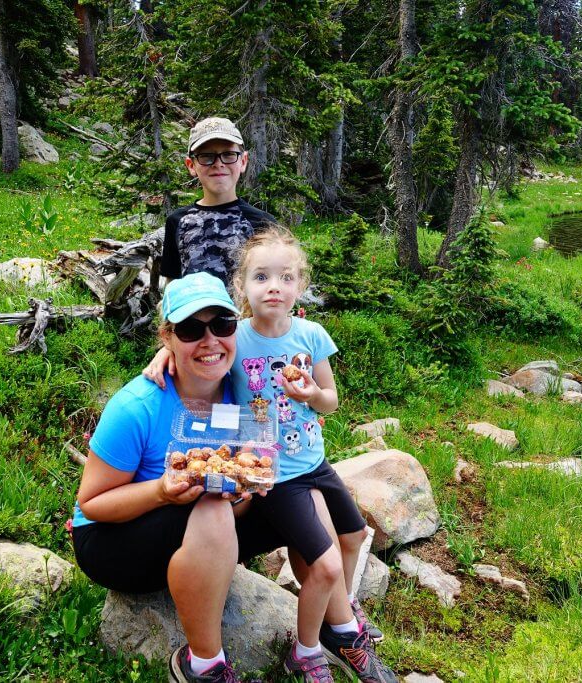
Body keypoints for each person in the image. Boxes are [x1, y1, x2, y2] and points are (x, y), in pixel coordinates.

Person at [146, 229, 397, 683]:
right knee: (322, 565)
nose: (274, 286)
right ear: (242, 289)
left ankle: (344, 609)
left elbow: (331, 400)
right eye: (261, 277)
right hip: (276, 477)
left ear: (300, 286)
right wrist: (163, 357)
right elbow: (201, 349)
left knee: (357, 535)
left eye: (285, 276)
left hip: (315, 463)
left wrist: (312, 392)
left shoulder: (312, 335)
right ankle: (307, 652)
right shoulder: (235, 335)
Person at [72, 273, 286, 683]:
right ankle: (202, 667)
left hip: (199, 527)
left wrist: (247, 487)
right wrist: (161, 492)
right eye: (190, 329)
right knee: (209, 501)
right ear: (167, 338)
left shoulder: (243, 389)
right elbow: (91, 503)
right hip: (112, 543)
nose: (209, 341)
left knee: (294, 492)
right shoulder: (138, 405)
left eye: (221, 325)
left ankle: (331, 630)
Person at [160, 116, 274, 286]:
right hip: (193, 313)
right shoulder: (177, 222)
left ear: (243, 161)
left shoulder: (263, 223)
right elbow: (172, 285)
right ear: (191, 165)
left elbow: (273, 283)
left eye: (228, 155)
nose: (218, 164)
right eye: (207, 156)